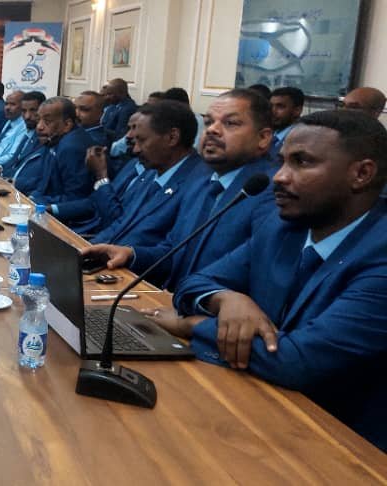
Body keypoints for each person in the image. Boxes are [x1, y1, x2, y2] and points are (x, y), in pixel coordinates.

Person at [166, 109, 387, 452]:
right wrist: (227, 299)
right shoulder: (281, 228)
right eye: (281, 161)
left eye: (302, 162)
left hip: (342, 444)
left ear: (361, 174)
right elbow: (195, 282)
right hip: (259, 408)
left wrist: (192, 325)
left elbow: (296, 361)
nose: (279, 178)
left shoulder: (380, 253)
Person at [81, 89, 278, 291]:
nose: (212, 130)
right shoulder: (202, 183)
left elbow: (256, 281)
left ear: (263, 138)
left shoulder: (271, 194)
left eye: (230, 123)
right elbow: (173, 251)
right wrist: (132, 254)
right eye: (209, 122)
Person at [88, 101, 206, 247]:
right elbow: (121, 224)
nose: (136, 149)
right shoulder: (151, 172)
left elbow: (171, 250)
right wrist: (87, 248)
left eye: (142, 140)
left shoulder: (199, 184)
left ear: (172, 137)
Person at [48, 113, 148, 235]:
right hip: (86, 230)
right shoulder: (133, 164)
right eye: (129, 128)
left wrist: (101, 175)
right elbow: (95, 202)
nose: (129, 135)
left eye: (136, 129)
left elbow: (116, 220)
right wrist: (52, 209)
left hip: (104, 238)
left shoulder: (152, 176)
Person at [27, 97, 94, 204]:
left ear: (67, 125)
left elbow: (75, 198)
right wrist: (31, 197)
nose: (39, 127)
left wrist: (36, 202)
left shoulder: (71, 148)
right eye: (38, 120)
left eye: (47, 121)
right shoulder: (53, 139)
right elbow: (44, 184)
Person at [1, 91, 46, 182]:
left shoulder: (44, 137)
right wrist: (1, 172)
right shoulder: (29, 132)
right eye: (24, 111)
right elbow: (14, 161)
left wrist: (12, 180)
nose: (27, 116)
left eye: (33, 110)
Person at [269, 86, 304, 160]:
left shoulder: (301, 141)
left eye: (280, 107)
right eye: (271, 106)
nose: (273, 111)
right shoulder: (269, 132)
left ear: (297, 110)